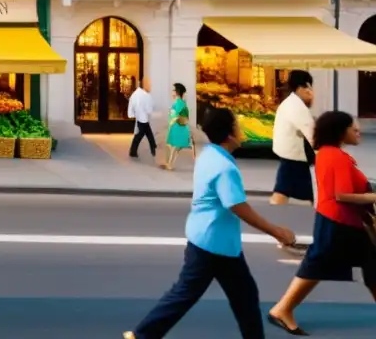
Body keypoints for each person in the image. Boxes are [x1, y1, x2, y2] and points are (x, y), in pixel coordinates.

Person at [123, 107, 296, 339]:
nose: (240, 128)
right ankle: (141, 335)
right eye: (237, 124)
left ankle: (142, 335)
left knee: (240, 296)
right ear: (230, 135)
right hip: (214, 244)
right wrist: (275, 231)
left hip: (212, 240)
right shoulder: (224, 167)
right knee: (197, 295)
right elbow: (236, 205)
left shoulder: (210, 154)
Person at [267, 111, 376, 335]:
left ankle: (282, 309)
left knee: (369, 266)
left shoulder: (330, 154)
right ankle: (282, 309)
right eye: (352, 127)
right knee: (318, 265)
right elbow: (342, 195)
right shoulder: (335, 156)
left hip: (341, 222)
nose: (357, 131)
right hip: (339, 223)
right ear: (339, 131)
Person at [272, 70, 316, 206]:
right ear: (302, 87)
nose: (311, 90)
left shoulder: (292, 102)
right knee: (283, 190)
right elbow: (311, 132)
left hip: (291, 153)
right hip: (294, 155)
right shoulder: (296, 106)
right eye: (309, 87)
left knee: (284, 189)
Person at [161, 83, 194, 171]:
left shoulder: (179, 103)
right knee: (174, 146)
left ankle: (169, 164)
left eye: (173, 91)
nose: (172, 92)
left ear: (176, 92)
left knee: (175, 146)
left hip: (177, 127)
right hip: (177, 126)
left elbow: (175, 115)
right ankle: (169, 163)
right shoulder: (179, 102)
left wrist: (171, 123)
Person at [128, 79, 156, 159]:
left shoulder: (136, 94)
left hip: (140, 117)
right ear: (145, 85)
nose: (150, 87)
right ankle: (133, 151)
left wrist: (132, 114)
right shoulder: (145, 96)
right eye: (149, 85)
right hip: (143, 118)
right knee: (140, 135)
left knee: (147, 133)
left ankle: (153, 147)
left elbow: (131, 105)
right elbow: (149, 109)